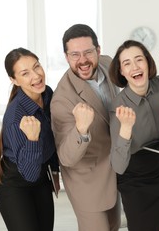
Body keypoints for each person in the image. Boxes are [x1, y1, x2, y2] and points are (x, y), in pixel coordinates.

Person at [50, 24, 120, 231]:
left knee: (114, 227)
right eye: (75, 54)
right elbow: (66, 157)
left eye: (88, 52)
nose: (82, 60)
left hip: (115, 171)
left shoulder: (108, 64)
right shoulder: (61, 100)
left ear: (98, 50)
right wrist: (81, 129)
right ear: (66, 57)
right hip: (87, 180)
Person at [109, 40, 159, 231]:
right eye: (127, 63)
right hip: (135, 177)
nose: (135, 67)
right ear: (121, 71)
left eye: (139, 60)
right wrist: (126, 129)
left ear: (148, 62)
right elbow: (118, 165)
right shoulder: (117, 107)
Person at [0, 47, 60, 231]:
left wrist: (54, 170)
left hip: (40, 177)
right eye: (25, 73)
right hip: (14, 183)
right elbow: (28, 173)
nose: (36, 76)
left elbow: (52, 134)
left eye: (36, 67)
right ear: (14, 80)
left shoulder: (47, 95)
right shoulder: (16, 117)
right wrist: (32, 139)